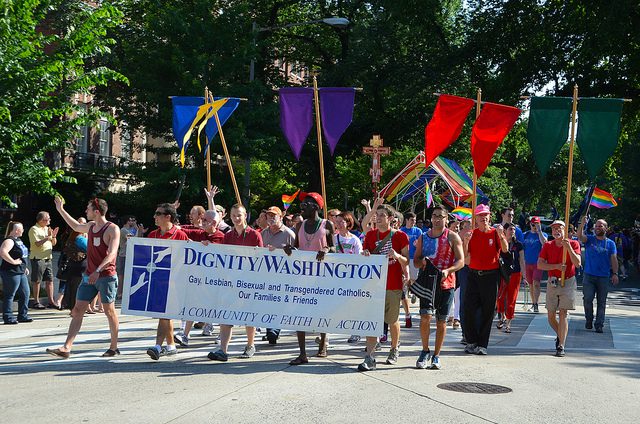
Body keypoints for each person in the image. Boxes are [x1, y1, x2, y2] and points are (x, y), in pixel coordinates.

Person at [46, 197, 120, 358]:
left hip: (106, 276)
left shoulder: (112, 229)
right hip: (89, 276)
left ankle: (113, 347)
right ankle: (66, 347)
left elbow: (113, 253)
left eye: (88, 208)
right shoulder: (91, 226)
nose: (86, 211)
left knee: (109, 311)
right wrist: (60, 209)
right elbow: (75, 225)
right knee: (77, 310)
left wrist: (98, 270)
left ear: (97, 211)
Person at [208, 204, 263, 362]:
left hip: (249, 282)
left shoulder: (254, 235)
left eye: (239, 215)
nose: (236, 218)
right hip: (231, 282)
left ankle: (250, 345)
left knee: (249, 315)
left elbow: (261, 259)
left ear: (245, 215)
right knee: (226, 315)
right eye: (233, 216)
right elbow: (224, 258)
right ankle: (223, 350)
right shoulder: (229, 236)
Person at [284, 192, 335, 365]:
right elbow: (297, 247)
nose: (302, 207)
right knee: (300, 314)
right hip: (302, 277)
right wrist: (290, 249)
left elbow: (334, 249)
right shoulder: (300, 226)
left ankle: (323, 344)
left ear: (316, 206)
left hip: (321, 278)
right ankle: (302, 353)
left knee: (321, 312)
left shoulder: (327, 225)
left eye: (305, 204)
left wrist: (327, 250)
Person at [358, 204, 409, 371]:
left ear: (390, 218)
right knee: (372, 320)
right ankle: (370, 356)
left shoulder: (400, 236)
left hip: (393, 284)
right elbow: (366, 255)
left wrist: (397, 256)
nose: (378, 217)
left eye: (382, 215)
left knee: (392, 320)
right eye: (377, 214)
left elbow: (407, 260)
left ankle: (394, 349)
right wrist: (365, 254)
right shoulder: (371, 235)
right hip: (374, 286)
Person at [413, 206, 464, 369]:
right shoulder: (423, 237)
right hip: (427, 283)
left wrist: (448, 270)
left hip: (446, 283)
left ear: (446, 219)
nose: (436, 219)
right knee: (425, 317)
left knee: (441, 320)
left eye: (440, 216)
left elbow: (461, 261)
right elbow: (415, 260)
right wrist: (421, 262)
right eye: (434, 216)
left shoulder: (453, 237)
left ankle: (436, 355)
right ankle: (425, 350)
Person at [144, 203, 190, 360]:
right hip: (157, 281)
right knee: (162, 315)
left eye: (158, 213)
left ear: (168, 216)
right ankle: (167, 346)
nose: (155, 217)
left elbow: (186, 258)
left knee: (164, 314)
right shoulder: (152, 235)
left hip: (174, 282)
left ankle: (163, 346)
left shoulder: (180, 235)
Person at [462, 204, 508, 355]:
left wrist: (502, 235)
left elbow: (505, 249)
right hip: (474, 274)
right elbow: (465, 259)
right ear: (475, 219)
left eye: (486, 215)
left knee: (488, 311)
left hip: (491, 275)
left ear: (490, 216)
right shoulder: (472, 234)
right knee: (468, 309)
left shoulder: (495, 233)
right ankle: (471, 341)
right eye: (480, 216)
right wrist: (466, 241)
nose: (484, 218)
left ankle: (483, 344)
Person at [537, 220, 581, 357]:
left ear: (565, 230)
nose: (556, 231)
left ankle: (561, 345)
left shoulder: (573, 244)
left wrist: (568, 249)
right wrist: (555, 266)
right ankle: (560, 335)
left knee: (563, 313)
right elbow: (540, 265)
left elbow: (578, 263)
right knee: (550, 315)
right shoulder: (548, 245)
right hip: (553, 282)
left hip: (568, 281)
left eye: (559, 228)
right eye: (554, 229)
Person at [261, 205, 296, 344]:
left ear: (281, 217)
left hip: (283, 276)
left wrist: (279, 251)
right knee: (268, 302)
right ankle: (271, 330)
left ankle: (274, 330)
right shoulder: (263, 233)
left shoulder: (289, 234)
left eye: (273, 215)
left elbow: (296, 255)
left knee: (278, 304)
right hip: (266, 275)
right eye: (268, 215)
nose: (270, 218)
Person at [578, 216, 618, 333]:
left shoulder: (610, 244)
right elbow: (580, 236)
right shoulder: (590, 239)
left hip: (603, 277)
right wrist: (582, 223)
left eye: (600, 226)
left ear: (606, 228)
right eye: (596, 225)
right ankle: (589, 319)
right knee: (587, 299)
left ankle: (599, 324)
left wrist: (615, 273)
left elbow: (614, 259)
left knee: (601, 302)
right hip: (589, 275)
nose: (597, 227)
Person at [333, 212, 364, 343]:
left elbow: (360, 256)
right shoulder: (333, 238)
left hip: (351, 277)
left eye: (342, 222)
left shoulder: (354, 240)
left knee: (352, 304)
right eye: (337, 221)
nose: (339, 224)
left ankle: (355, 331)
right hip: (335, 276)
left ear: (348, 223)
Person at [495, 223, 526, 333]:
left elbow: (522, 260)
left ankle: (508, 322)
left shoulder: (518, 245)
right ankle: (501, 317)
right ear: (505, 231)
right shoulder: (499, 242)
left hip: (515, 273)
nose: (512, 231)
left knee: (511, 298)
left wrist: (524, 275)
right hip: (502, 273)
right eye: (510, 229)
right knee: (500, 297)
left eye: (514, 229)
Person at [1, 222, 33, 324]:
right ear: (16, 230)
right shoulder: (9, 241)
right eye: (22, 229)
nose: (23, 230)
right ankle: (8, 317)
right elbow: (3, 251)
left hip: (20, 271)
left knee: (25, 293)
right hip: (11, 272)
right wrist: (13, 262)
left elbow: (21, 255)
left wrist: (24, 267)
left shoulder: (18, 240)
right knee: (10, 294)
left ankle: (23, 315)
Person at [28, 211, 59, 309]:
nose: (50, 220)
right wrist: (48, 237)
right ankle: (36, 302)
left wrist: (53, 236)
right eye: (48, 218)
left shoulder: (47, 228)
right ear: (42, 220)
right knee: (37, 281)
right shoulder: (34, 229)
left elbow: (53, 243)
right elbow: (37, 243)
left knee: (49, 280)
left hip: (48, 258)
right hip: (38, 258)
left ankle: (51, 301)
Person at [522, 216, 548, 312]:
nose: (534, 227)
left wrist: (539, 231)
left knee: (536, 283)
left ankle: (536, 303)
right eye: (533, 224)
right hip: (527, 263)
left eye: (537, 224)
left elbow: (545, 243)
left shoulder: (542, 234)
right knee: (531, 284)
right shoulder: (525, 235)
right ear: (530, 224)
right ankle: (533, 303)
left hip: (538, 263)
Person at [400, 211, 423, 321]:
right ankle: (406, 293)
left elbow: (421, 243)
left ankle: (413, 292)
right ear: (407, 220)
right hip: (405, 258)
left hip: (414, 258)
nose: (414, 222)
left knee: (413, 278)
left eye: (415, 220)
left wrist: (418, 244)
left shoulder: (418, 231)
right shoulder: (402, 231)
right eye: (412, 220)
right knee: (405, 279)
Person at [116, 215, 140, 299]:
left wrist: (137, 229)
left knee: (128, 275)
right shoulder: (123, 230)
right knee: (121, 275)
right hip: (123, 255)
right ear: (127, 221)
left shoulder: (130, 230)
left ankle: (125, 293)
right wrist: (138, 229)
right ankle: (120, 293)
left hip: (129, 255)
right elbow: (133, 239)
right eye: (131, 220)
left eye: (133, 220)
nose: (133, 222)